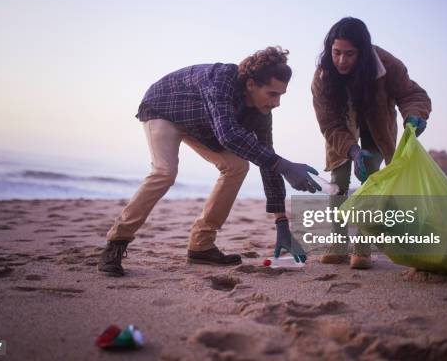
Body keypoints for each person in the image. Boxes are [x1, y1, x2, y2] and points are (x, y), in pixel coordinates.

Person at [98, 46, 321, 276]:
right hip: (162, 108)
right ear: (251, 84)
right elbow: (228, 135)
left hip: (201, 125)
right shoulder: (222, 79)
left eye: (281, 95)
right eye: (272, 94)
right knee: (165, 172)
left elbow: (267, 157)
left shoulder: (261, 111)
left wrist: (281, 223)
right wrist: (284, 165)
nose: (277, 103)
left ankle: (201, 245)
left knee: (237, 166)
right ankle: (116, 243)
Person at [311, 17, 432, 269]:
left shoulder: (387, 64)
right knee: (338, 182)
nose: (341, 60)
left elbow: (412, 94)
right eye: (336, 52)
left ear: (362, 52)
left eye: (349, 54)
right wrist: (352, 151)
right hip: (342, 131)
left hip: (377, 128)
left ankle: (362, 249)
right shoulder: (322, 77)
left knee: (372, 181)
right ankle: (338, 243)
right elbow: (330, 125)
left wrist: (415, 115)